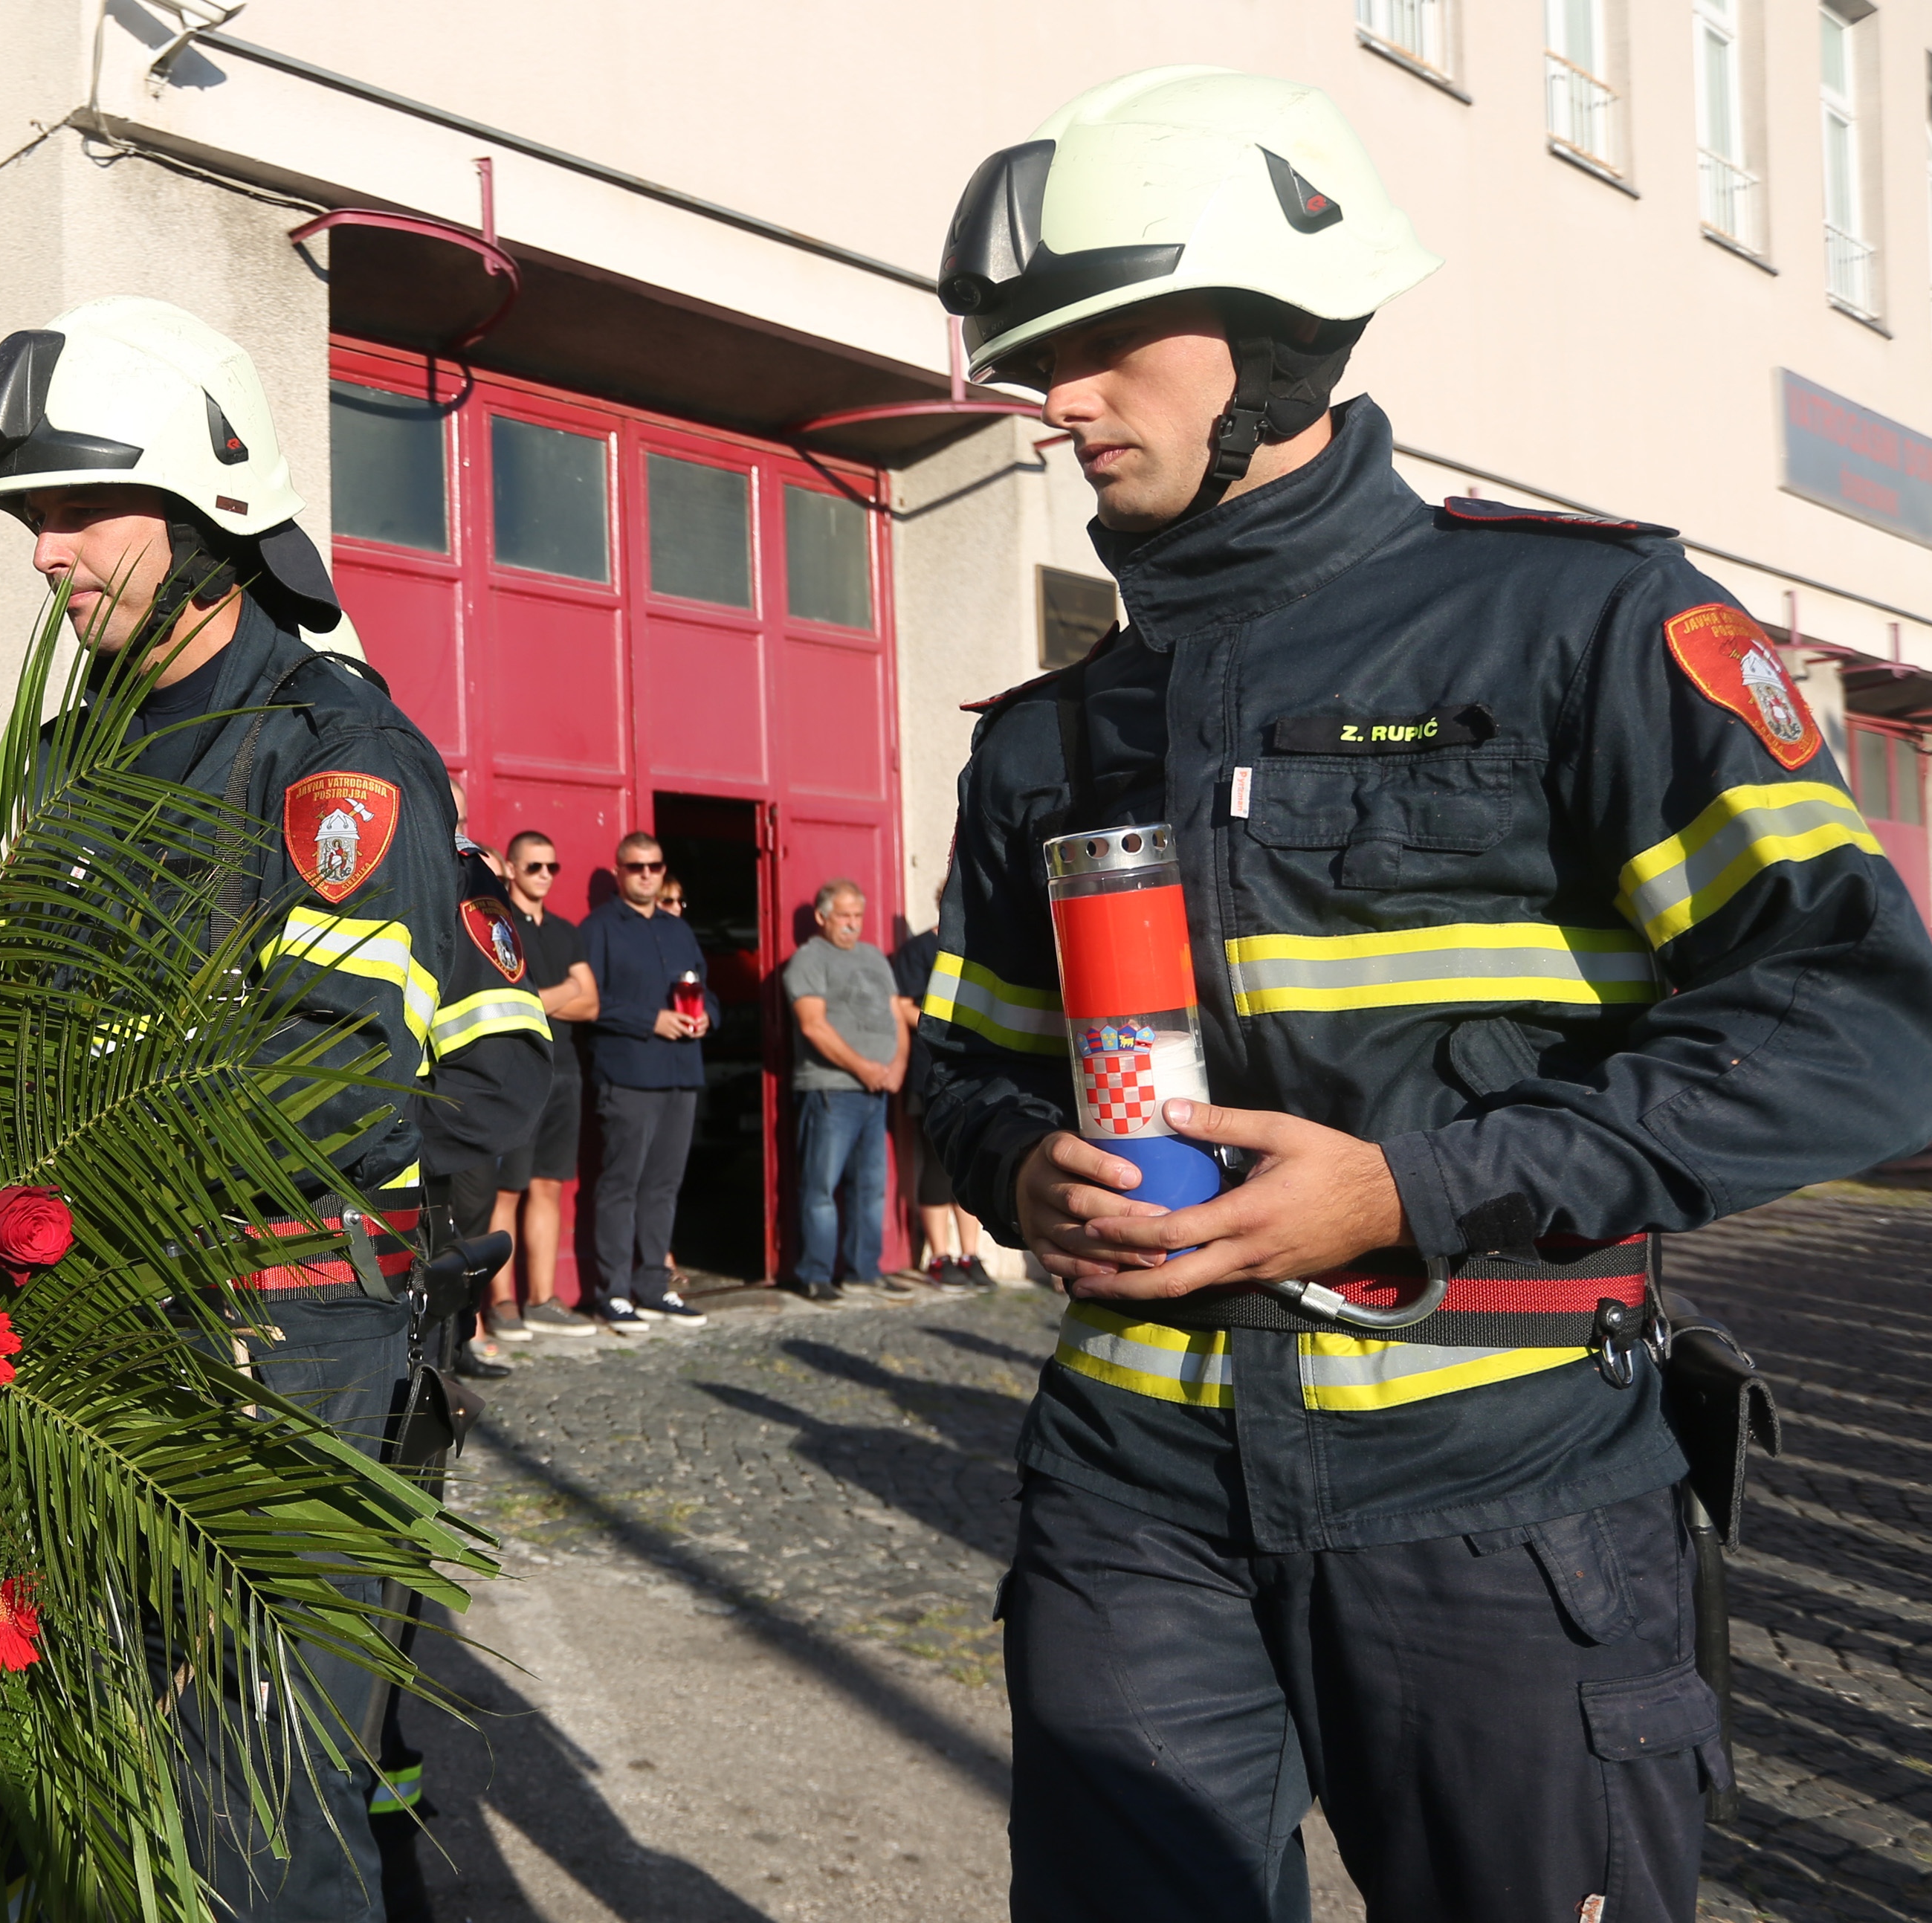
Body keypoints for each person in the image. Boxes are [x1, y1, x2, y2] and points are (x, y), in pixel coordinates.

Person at [917, 68, 1932, 1923]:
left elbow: (1864, 1034)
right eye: (1028, 353)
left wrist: (1413, 1189)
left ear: (1283, 346)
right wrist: (1012, 1168)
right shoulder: (1053, 738)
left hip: (1505, 1486)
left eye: (1102, 341)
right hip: (1126, 1498)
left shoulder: (1584, 632)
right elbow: (959, 1071)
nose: (1051, 398)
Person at [0, 294, 458, 1923]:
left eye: (81, 509)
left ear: (209, 507)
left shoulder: (331, 750)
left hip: (287, 1340)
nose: (46, 553)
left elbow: (334, 1072)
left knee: (263, 1801)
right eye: (31, 515)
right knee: (102, 1774)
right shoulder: (66, 761)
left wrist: (68, 1159)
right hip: (92, 1324)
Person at [424, 780, 554, 1381]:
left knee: (468, 1230)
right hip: (427, 1091)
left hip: (462, 1091)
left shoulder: (469, 872)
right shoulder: (428, 862)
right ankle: (434, 1350)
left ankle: (457, 1345)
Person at [582, 831, 715, 1333]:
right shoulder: (598, 928)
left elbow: (708, 990)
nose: (646, 874)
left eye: (654, 866)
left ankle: (655, 1284)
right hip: (630, 1072)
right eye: (636, 866)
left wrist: (706, 1019)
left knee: (664, 1185)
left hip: (682, 1072)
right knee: (621, 1184)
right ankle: (613, 1292)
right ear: (619, 871)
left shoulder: (679, 930)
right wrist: (649, 1020)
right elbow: (591, 1001)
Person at [781, 879, 918, 1302]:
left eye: (857, 916)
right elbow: (813, 1025)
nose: (852, 924)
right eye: (844, 916)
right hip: (831, 1090)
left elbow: (897, 1015)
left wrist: (896, 1066)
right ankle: (816, 1273)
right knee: (821, 1185)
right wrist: (864, 1068)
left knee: (871, 1183)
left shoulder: (875, 957)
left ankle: (863, 1270)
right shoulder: (808, 960)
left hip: (876, 1091)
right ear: (822, 917)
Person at [488, 830, 599, 1342]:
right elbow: (514, 999)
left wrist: (541, 997)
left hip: (566, 1069)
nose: (545, 876)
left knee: (549, 1185)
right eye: (535, 867)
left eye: (552, 867)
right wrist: (561, 993)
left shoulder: (566, 930)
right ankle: (502, 1300)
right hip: (518, 1072)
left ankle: (543, 1297)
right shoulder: (497, 923)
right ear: (511, 869)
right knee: (507, 1189)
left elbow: (591, 1004)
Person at [890, 886, 988, 1284]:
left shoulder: (977, 947)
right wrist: (946, 1032)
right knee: (937, 1164)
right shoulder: (918, 951)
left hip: (974, 1073)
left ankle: (970, 1256)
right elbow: (901, 1005)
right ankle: (939, 1256)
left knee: (970, 1161)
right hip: (931, 1071)